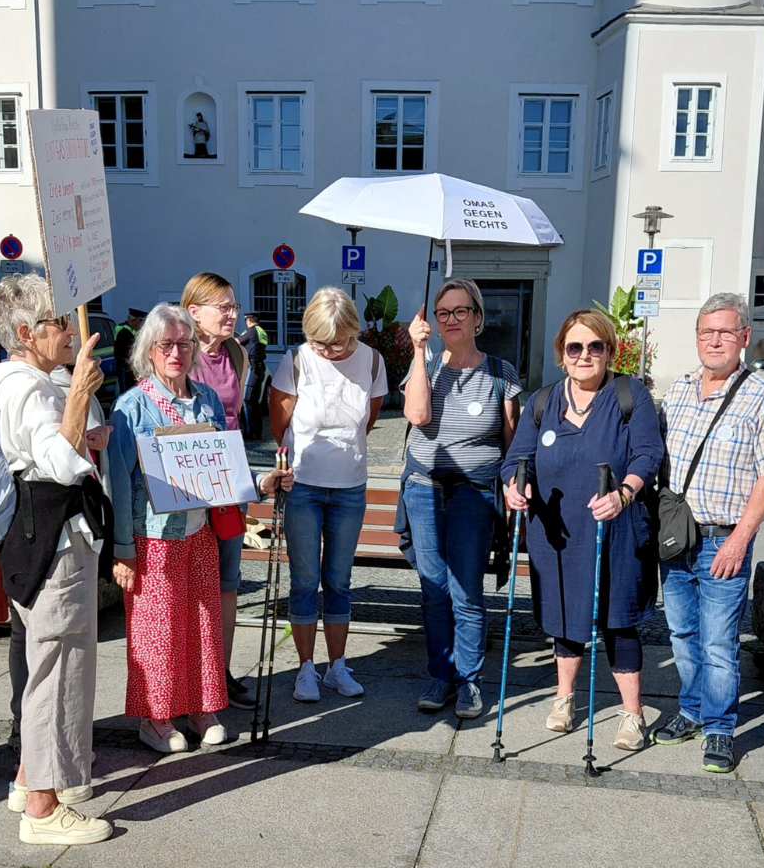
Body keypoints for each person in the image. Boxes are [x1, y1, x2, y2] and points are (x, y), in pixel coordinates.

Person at [109, 304, 293, 752]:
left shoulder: (206, 399)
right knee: (158, 630)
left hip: (200, 532)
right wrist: (121, 549)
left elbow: (220, 468)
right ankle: (155, 718)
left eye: (184, 344)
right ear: (149, 351)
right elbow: (116, 481)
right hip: (152, 536)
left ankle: (200, 708)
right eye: (167, 345)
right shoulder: (131, 407)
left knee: (203, 623)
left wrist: (260, 483)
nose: (176, 352)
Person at [0, 273, 114, 846]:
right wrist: (79, 391)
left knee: (48, 660)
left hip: (44, 536)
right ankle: (43, 806)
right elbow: (61, 464)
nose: (68, 330)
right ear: (24, 333)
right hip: (55, 538)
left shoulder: (28, 381)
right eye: (58, 321)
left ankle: (27, 779)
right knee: (57, 667)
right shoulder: (31, 389)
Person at [502, 309, 663, 747]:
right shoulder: (543, 401)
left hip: (615, 529)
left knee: (619, 620)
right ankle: (565, 698)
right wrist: (515, 486)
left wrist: (623, 493)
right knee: (563, 616)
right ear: (562, 354)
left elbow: (648, 454)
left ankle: (632, 714)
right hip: (557, 532)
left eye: (596, 346)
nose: (585, 355)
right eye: (576, 347)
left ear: (610, 350)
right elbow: (518, 458)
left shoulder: (631, 395)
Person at [653, 292, 764, 773]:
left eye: (725, 332)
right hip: (677, 536)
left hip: (722, 538)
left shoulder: (762, 395)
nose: (715, 340)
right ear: (696, 337)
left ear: (745, 338)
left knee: (718, 642)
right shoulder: (678, 390)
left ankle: (719, 728)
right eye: (706, 332)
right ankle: (691, 711)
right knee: (681, 634)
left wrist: (740, 539)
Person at [398, 280, 521, 719]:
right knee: (433, 591)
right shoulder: (425, 367)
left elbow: (512, 442)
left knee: (467, 591)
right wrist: (417, 352)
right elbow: (417, 415)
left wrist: (512, 485)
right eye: (443, 312)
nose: (450, 319)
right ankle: (441, 676)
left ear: (478, 318)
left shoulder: (500, 373)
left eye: (460, 311)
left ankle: (470, 682)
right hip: (424, 489)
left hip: (473, 493)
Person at [270, 286, 388, 702]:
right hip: (302, 486)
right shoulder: (297, 361)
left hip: (349, 487)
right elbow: (279, 423)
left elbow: (366, 423)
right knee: (304, 580)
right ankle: (306, 668)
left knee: (338, 580)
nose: (331, 351)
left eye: (339, 343)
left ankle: (337, 666)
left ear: (353, 331)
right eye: (321, 343)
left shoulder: (372, 361)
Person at [184, 273, 254, 710]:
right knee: (192, 582)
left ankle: (220, 675)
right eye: (222, 307)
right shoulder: (179, 354)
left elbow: (238, 416)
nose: (232, 313)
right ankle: (190, 674)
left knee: (227, 583)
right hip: (190, 481)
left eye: (232, 305)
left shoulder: (236, 353)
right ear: (194, 312)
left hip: (229, 480)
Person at [236, 312, 269, 441]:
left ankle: (249, 433)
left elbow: (236, 342)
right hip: (260, 368)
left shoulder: (251, 331)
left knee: (246, 400)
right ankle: (258, 432)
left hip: (252, 367)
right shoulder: (262, 332)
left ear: (248, 320)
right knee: (254, 402)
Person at [114, 307, 146, 393]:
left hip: (129, 368)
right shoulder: (124, 332)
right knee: (126, 391)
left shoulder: (130, 330)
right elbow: (125, 353)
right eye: (140, 321)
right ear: (134, 320)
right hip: (126, 368)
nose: (140, 325)